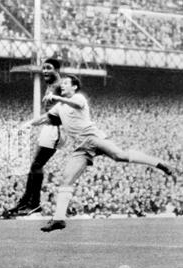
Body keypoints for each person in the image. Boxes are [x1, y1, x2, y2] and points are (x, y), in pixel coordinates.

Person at [31, 75, 175, 232]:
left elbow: (76, 103)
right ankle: (59, 219)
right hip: (81, 147)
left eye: (66, 83)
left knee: (119, 156)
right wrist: (29, 123)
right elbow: (46, 118)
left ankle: (159, 163)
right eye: (62, 84)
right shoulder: (59, 107)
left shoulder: (78, 98)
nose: (63, 85)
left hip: (93, 138)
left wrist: (56, 97)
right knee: (66, 179)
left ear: (74, 87)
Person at [9, 58, 66, 215]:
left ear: (57, 70)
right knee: (34, 166)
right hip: (50, 127)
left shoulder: (61, 86)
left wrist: (31, 123)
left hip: (56, 128)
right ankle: (26, 201)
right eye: (44, 68)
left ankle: (34, 203)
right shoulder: (50, 85)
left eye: (49, 68)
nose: (45, 71)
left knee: (36, 165)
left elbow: (57, 113)